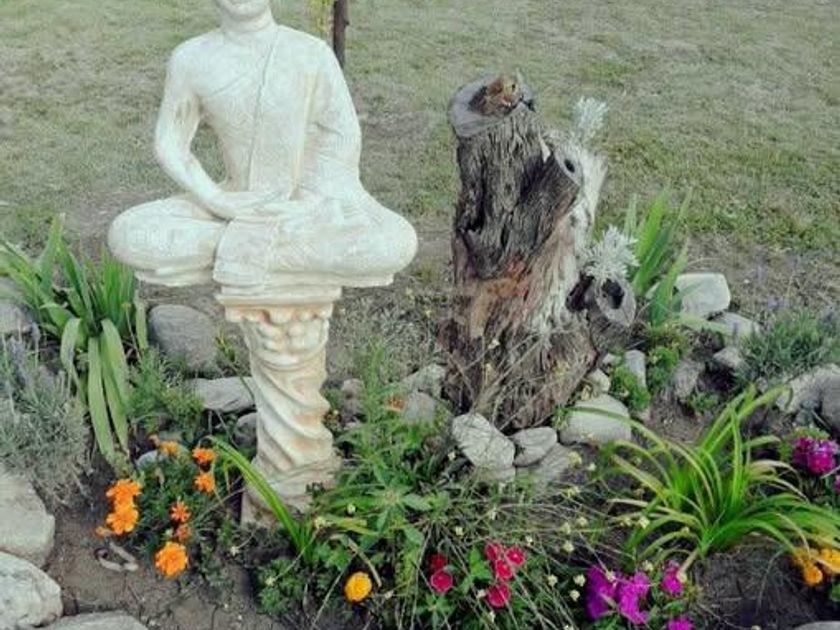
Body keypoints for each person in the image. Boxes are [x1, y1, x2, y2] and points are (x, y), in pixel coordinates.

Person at [108, 0, 417, 289]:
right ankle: (260, 248)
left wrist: (306, 203)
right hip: (233, 202)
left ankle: (237, 249)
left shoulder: (310, 53)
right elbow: (170, 143)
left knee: (393, 241)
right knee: (128, 233)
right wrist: (215, 199)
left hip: (309, 206)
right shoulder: (191, 58)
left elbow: (339, 141)